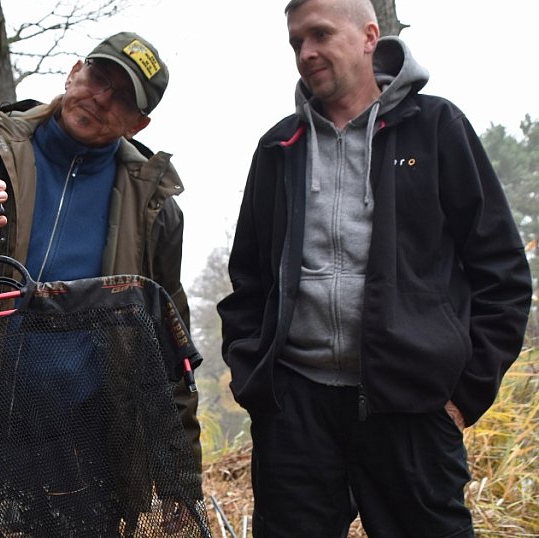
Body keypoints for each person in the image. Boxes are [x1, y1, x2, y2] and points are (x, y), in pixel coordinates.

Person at [217, 0, 533, 536]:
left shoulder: (435, 126)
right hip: (297, 413)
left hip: (413, 406)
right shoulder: (278, 147)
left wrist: (464, 395)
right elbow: (249, 280)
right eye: (296, 42)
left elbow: (501, 269)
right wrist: (260, 388)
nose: (306, 52)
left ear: (369, 36)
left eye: (319, 34)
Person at [0, 31, 201, 534]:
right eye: (98, 77)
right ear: (74, 72)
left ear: (139, 124)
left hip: (76, 458)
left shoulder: (155, 211)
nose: (100, 98)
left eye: (123, 97)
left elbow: (168, 349)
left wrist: (179, 476)